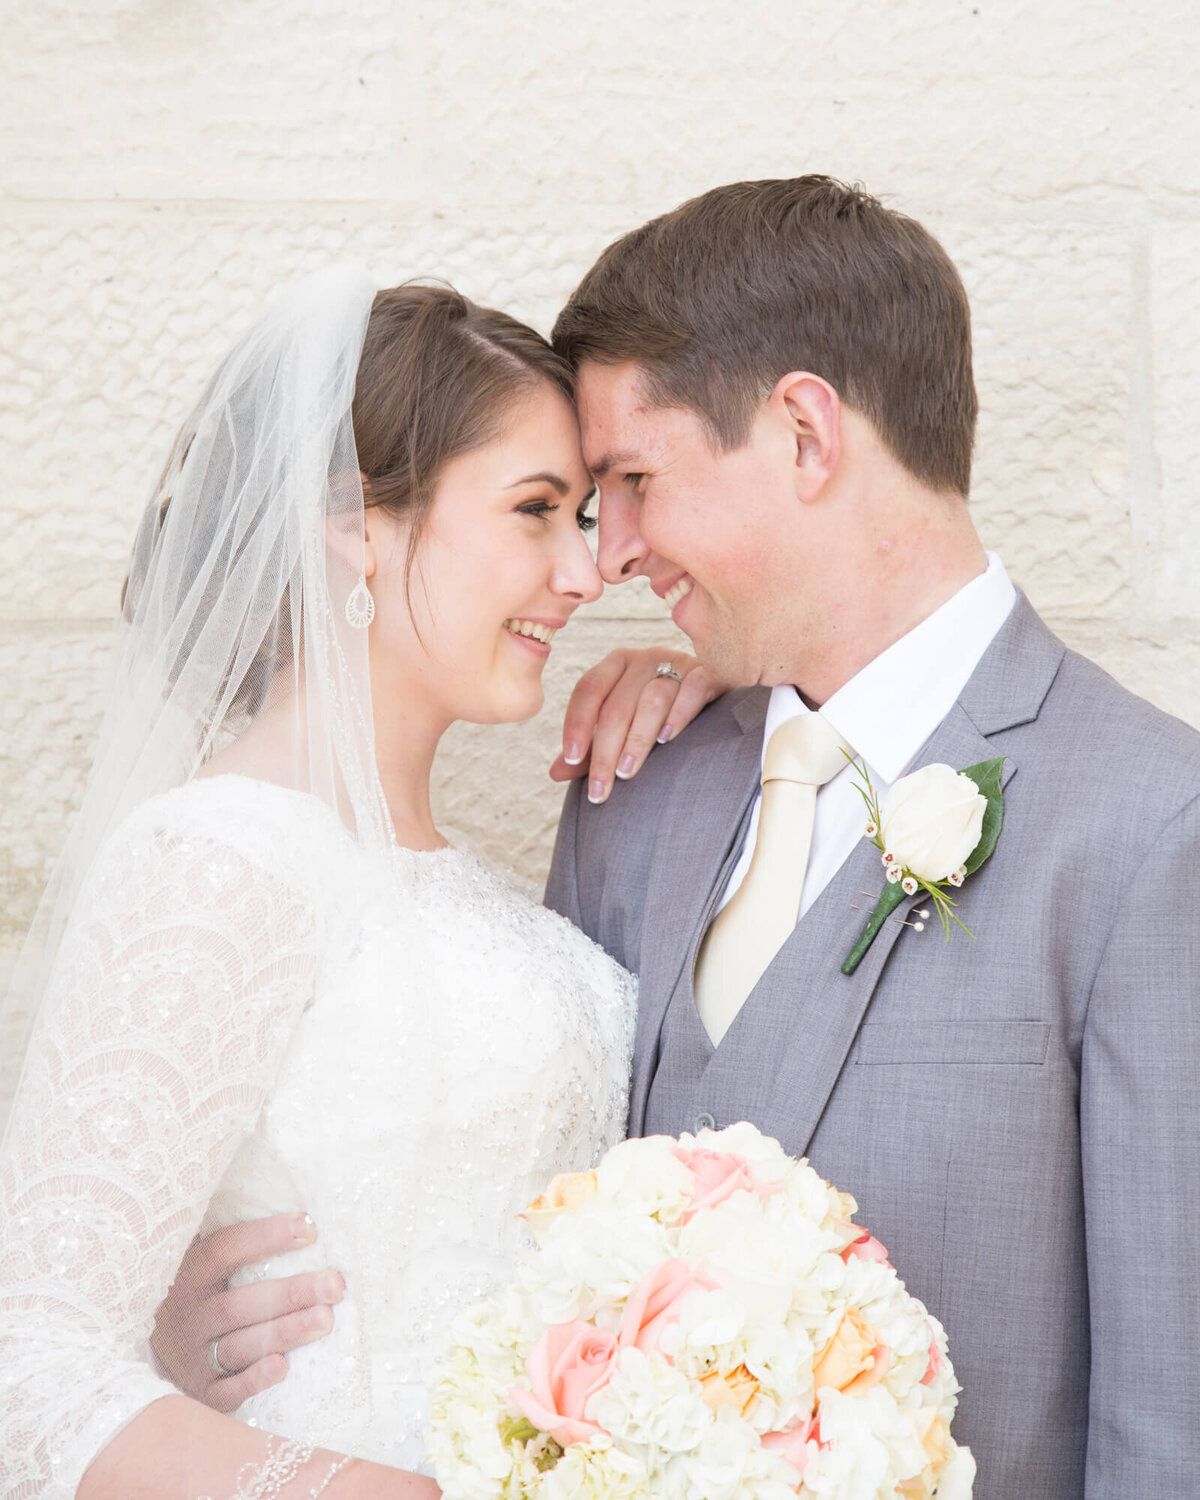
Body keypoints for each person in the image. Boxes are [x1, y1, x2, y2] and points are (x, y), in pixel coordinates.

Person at [171, 178, 1200, 1499]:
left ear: (806, 434)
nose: (608, 560)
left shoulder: (1151, 824)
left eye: (633, 483)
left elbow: (1170, 1424)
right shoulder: (635, 786)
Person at [0, 268, 709, 1499]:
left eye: (583, 517)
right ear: (359, 527)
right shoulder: (220, 858)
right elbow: (30, 1370)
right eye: (536, 511)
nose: (585, 575)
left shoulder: (473, 889)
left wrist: (716, 704)